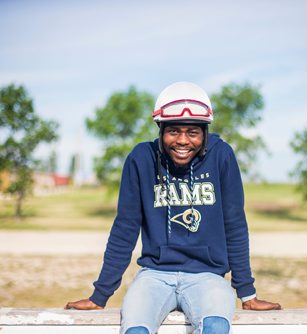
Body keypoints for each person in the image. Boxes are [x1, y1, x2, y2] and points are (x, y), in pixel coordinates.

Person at [66, 82, 281, 334]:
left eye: (192, 132)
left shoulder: (221, 156)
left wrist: (247, 293)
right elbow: (125, 229)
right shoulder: (141, 159)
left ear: (205, 132)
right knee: (135, 330)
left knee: (215, 327)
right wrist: (99, 295)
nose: (182, 140)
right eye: (173, 131)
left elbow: (234, 224)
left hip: (208, 276)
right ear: (160, 129)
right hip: (154, 275)